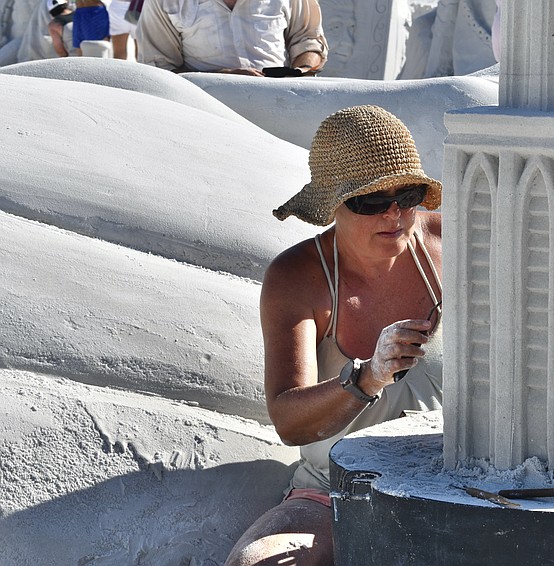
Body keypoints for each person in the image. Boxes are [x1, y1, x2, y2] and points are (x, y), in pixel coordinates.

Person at [224, 105, 443, 566]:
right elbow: (289, 419)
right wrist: (366, 379)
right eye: (370, 200)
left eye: (407, 194)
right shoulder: (299, 277)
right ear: (332, 206)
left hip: (454, 481)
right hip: (336, 490)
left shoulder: (456, 244)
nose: (395, 213)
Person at [135, 0, 328, 76]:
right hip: (202, 116)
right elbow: (158, 70)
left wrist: (300, 71)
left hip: (281, 107)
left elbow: (307, 39)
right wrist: (224, 79)